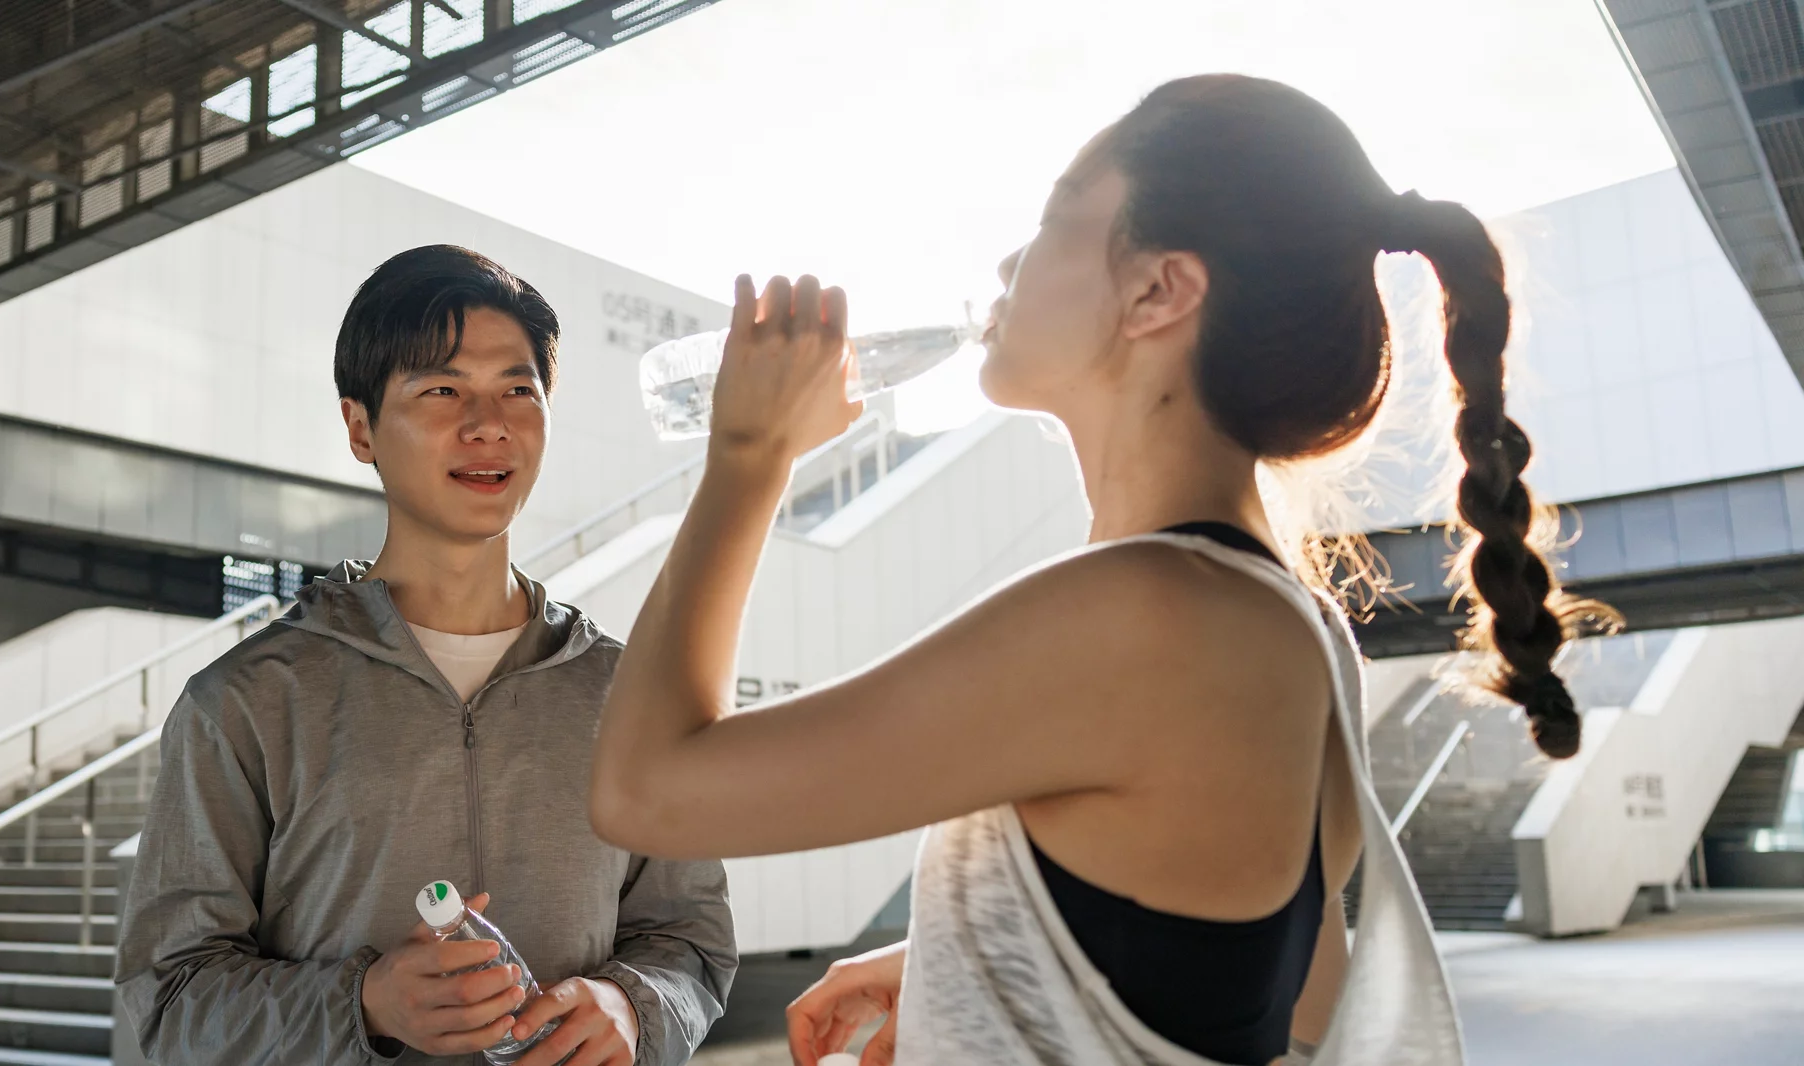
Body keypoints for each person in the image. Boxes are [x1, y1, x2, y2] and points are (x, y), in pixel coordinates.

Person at [586, 75, 1612, 1066]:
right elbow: (1278, 994)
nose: (1005, 262)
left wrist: (748, 457)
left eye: (1054, 215)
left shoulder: (1137, 617)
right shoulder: (1292, 623)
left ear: (1158, 289)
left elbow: (644, 790)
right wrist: (972, 965)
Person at [117, 244, 736, 1066]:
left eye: (519, 389)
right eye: (442, 389)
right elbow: (161, 1007)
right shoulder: (246, 702)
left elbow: (692, 943)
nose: (489, 424)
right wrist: (367, 1004)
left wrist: (631, 1004)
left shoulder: (628, 693)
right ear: (361, 427)